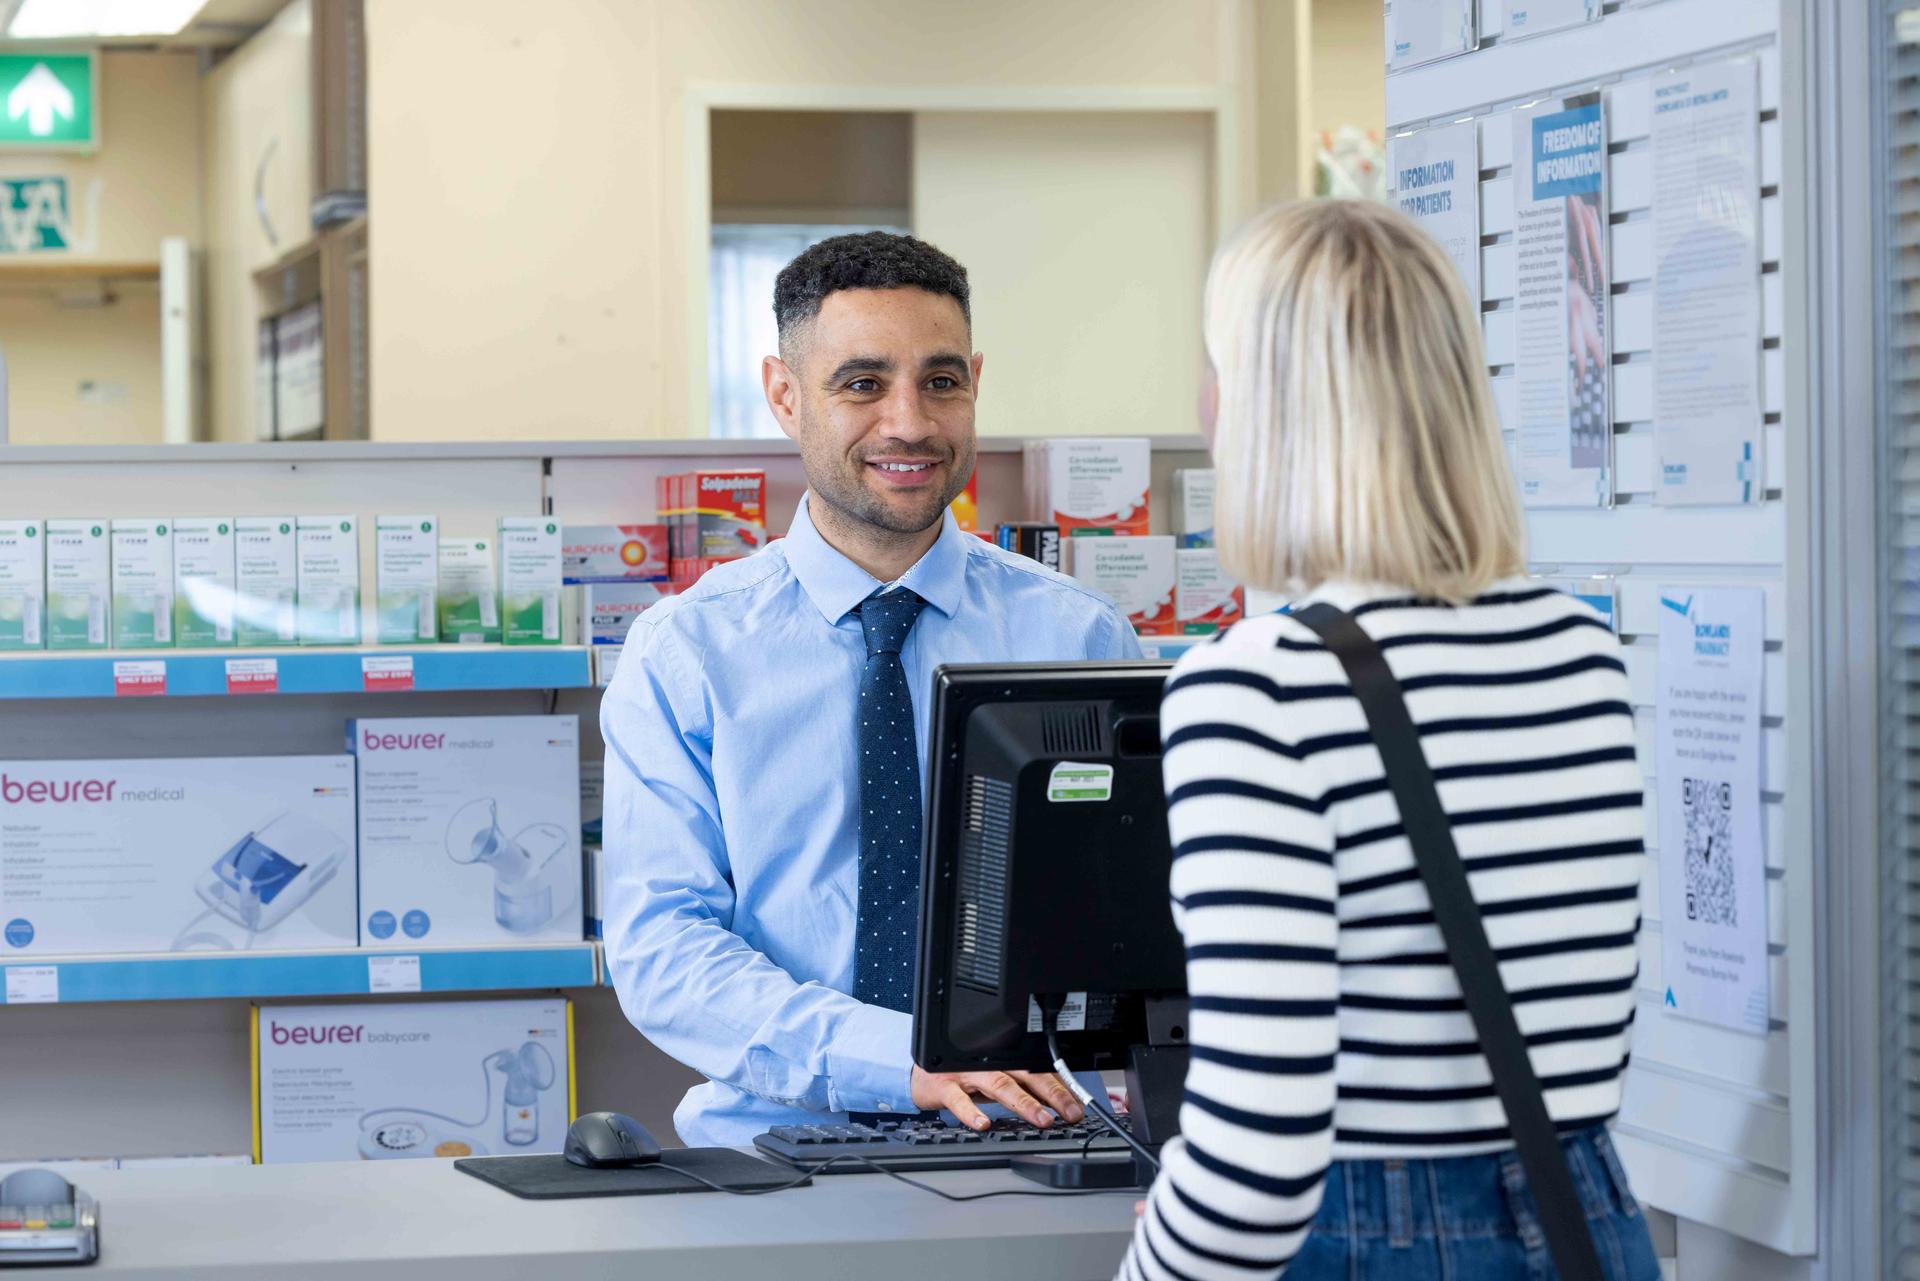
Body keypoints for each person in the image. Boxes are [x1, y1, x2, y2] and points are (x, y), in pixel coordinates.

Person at [1119, 200, 1658, 1280]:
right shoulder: (1579, 650)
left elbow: (1255, 1161)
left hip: (1376, 1235)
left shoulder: (1257, 688)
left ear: (1263, 412)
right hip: (1583, 1213)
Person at [601, 231, 1142, 1147]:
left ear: (974, 380)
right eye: (861, 384)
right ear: (784, 394)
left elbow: (1133, 920)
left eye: (940, 381)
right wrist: (901, 1058)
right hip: (777, 1143)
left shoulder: (1079, 637)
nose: (910, 424)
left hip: (1036, 1136)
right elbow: (664, 949)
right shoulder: (687, 651)